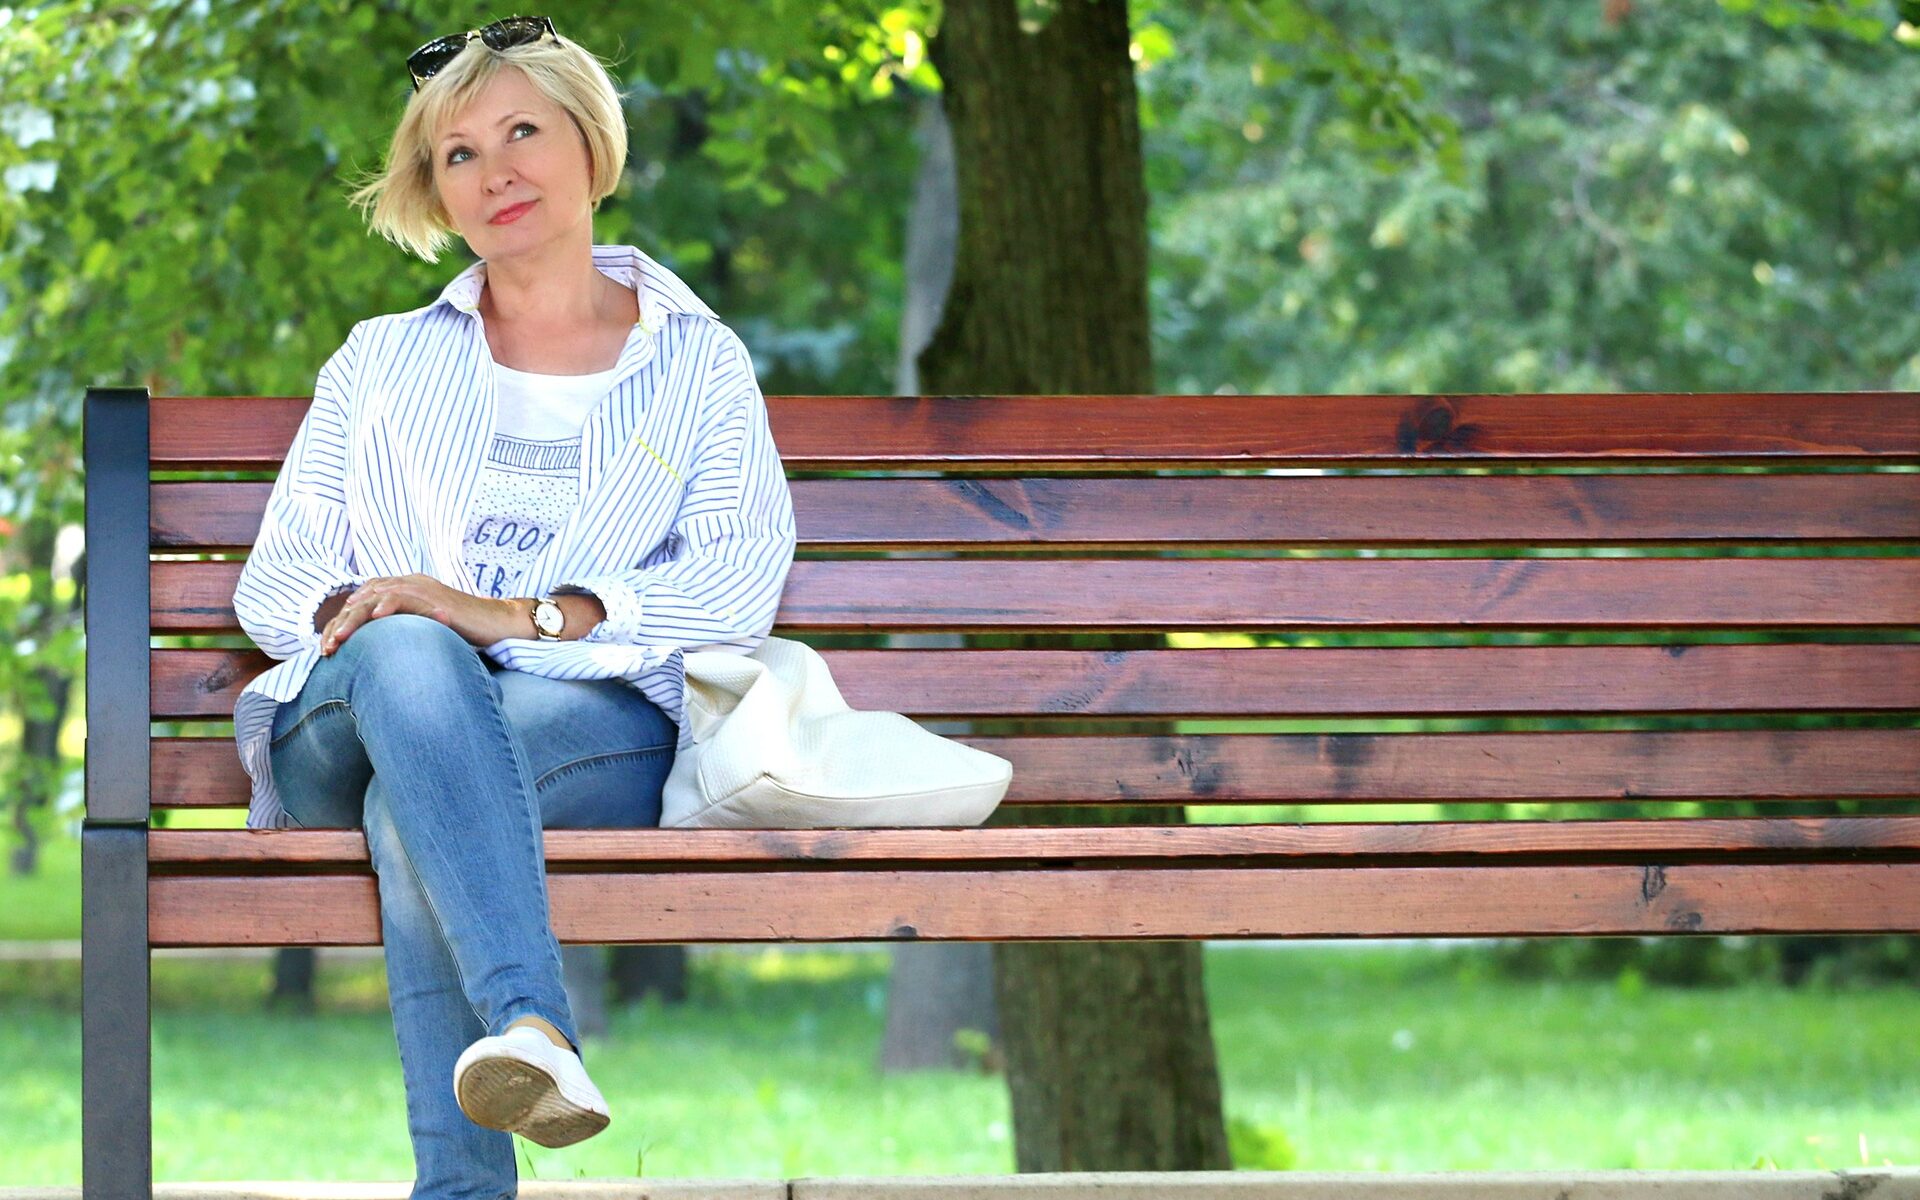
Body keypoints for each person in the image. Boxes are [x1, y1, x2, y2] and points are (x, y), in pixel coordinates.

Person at [227, 15, 797, 1194]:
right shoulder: (379, 361)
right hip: (346, 708)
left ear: (591, 143)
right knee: (407, 658)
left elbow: (739, 576)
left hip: (583, 724)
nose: (498, 172)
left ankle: (472, 1175)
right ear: (436, 192)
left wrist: (522, 616)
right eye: (459, 153)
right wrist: (404, 616)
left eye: (523, 130)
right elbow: (277, 579)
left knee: (414, 803)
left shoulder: (699, 363)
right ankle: (535, 1024)